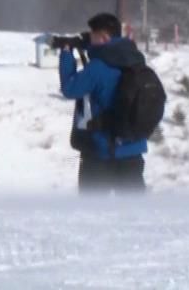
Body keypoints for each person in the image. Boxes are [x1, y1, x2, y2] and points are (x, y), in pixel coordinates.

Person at [60, 11, 149, 193]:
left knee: (94, 213)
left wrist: (67, 54)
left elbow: (70, 89)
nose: (89, 40)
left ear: (103, 37)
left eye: (92, 36)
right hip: (133, 150)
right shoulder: (134, 60)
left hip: (101, 153)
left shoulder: (98, 67)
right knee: (135, 213)